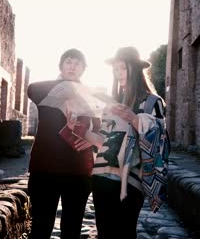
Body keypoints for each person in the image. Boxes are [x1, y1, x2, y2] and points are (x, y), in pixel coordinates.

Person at [71, 46, 168, 239]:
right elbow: (105, 143)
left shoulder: (152, 102)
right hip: (101, 179)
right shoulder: (111, 103)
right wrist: (82, 132)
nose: (118, 73)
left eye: (122, 68)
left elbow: (159, 143)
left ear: (134, 68)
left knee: (125, 233)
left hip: (130, 182)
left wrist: (134, 118)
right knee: (105, 234)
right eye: (116, 69)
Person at [26, 48, 99, 239]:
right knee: (40, 228)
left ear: (84, 68)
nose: (72, 66)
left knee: (72, 230)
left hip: (78, 170)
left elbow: (100, 129)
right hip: (46, 168)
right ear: (61, 66)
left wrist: (92, 143)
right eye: (68, 62)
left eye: (77, 63)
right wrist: (69, 90)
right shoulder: (44, 91)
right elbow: (31, 88)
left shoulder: (93, 97)